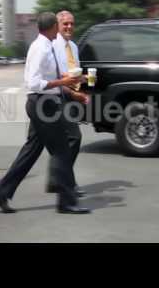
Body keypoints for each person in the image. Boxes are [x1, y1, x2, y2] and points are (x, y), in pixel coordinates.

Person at [0, 12, 91, 214]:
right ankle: (67, 202)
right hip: (43, 104)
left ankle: (1, 192)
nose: (62, 29)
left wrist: (71, 79)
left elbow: (49, 74)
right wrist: (62, 82)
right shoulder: (41, 48)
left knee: (31, 150)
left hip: (45, 102)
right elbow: (33, 83)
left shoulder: (46, 46)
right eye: (59, 25)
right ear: (53, 27)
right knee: (62, 151)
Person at [46, 10, 89, 197]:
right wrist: (72, 92)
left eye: (72, 23)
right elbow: (55, 77)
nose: (69, 27)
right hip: (55, 96)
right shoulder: (52, 46)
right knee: (74, 138)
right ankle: (65, 182)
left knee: (57, 142)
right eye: (65, 24)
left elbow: (72, 73)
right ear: (58, 25)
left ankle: (55, 181)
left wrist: (84, 81)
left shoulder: (73, 46)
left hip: (70, 95)